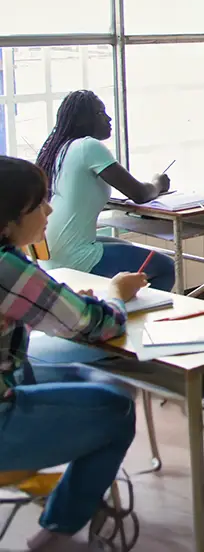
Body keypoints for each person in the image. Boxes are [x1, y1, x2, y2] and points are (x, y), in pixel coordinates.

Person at [0, 155, 145, 551]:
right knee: (118, 410)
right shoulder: (8, 268)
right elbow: (100, 325)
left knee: (101, 379)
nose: (49, 210)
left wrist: (57, 305)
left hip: (10, 377)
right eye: (40, 204)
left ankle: (71, 496)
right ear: (8, 221)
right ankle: (58, 531)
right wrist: (115, 293)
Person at [36, 90, 174, 291]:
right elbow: (140, 194)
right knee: (166, 267)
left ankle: (119, 306)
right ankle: (133, 315)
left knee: (128, 248)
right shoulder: (88, 146)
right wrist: (158, 183)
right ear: (85, 120)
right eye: (101, 113)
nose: (109, 119)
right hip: (72, 254)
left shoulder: (61, 148)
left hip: (49, 250)